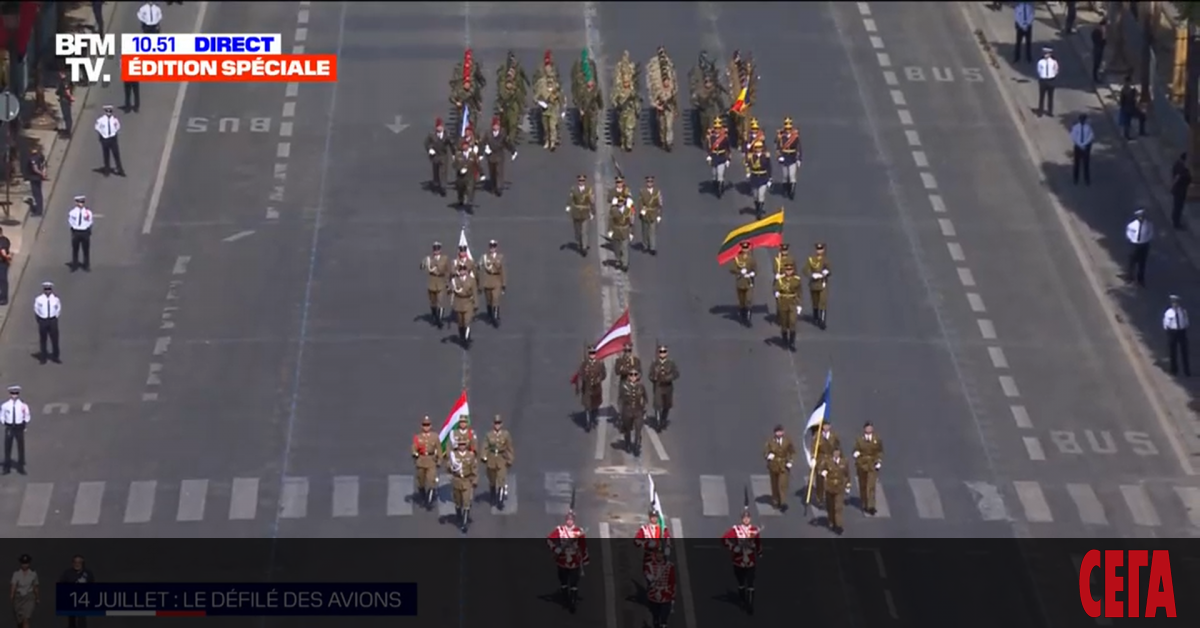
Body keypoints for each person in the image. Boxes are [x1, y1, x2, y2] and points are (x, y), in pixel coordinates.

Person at [722, 507, 762, 614]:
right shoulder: (736, 530)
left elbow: (758, 543)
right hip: (738, 560)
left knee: (750, 583)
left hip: (750, 560)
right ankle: (743, 601)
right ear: (741, 519)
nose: (746, 519)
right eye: (744, 518)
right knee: (741, 583)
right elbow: (724, 538)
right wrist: (732, 547)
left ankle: (750, 605)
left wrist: (758, 551)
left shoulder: (754, 530)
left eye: (748, 517)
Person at [547, 510, 589, 612]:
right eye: (568, 519)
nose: (569, 521)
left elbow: (583, 546)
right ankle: (565, 598)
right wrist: (555, 549)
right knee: (564, 581)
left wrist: (585, 558)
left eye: (571, 519)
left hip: (574, 560)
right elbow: (549, 539)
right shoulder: (560, 530)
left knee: (574, 583)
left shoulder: (579, 531)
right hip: (562, 559)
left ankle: (573, 602)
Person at [481, 415, 514, 508]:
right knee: (492, 479)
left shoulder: (506, 435)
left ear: (502, 424)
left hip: (501, 458)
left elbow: (509, 447)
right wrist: (483, 456)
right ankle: (492, 494)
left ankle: (500, 500)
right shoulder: (489, 435)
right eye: (496, 423)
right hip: (491, 458)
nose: (497, 425)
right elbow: (485, 446)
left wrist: (510, 459)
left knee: (501, 479)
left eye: (499, 423)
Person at [445, 439, 478, 532]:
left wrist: (475, 480)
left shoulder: (470, 456)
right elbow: (448, 467)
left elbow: (474, 468)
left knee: (466, 502)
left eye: (463, 444)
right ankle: (459, 516)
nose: (462, 446)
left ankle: (464, 523)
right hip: (457, 481)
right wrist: (451, 467)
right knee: (458, 502)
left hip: (467, 480)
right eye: (460, 444)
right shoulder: (453, 456)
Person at [817, 448, 851, 535]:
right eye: (834, 452)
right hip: (829, 487)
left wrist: (848, 485)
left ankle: (838, 525)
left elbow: (847, 474)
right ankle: (831, 521)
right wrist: (823, 472)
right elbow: (820, 469)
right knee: (830, 506)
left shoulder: (844, 462)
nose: (836, 454)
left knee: (838, 507)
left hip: (839, 487)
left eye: (837, 452)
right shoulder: (827, 461)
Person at [853, 422, 884, 515]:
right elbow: (855, 449)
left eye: (870, 428)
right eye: (867, 428)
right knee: (863, 485)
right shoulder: (859, 439)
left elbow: (880, 451)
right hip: (862, 465)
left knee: (871, 486)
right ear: (864, 429)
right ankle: (864, 503)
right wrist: (856, 453)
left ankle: (871, 506)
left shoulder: (877, 439)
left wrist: (879, 461)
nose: (869, 429)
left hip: (872, 465)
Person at [411, 416, 442, 509]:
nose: (426, 427)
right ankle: (423, 496)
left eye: (428, 425)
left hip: (431, 460)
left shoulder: (435, 436)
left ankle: (429, 500)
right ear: (422, 426)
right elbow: (414, 447)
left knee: (431, 480)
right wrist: (414, 453)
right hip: (421, 460)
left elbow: (439, 450)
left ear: (430, 426)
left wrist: (439, 460)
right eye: (424, 425)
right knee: (421, 482)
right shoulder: (418, 437)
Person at [763, 425, 795, 511]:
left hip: (784, 466)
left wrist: (790, 461)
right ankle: (775, 500)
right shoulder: (770, 441)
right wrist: (768, 455)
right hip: (773, 466)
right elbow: (765, 451)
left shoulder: (787, 440)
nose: (779, 433)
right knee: (774, 485)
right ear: (775, 433)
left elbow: (792, 452)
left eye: (780, 431)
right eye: (777, 432)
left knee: (782, 484)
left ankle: (783, 502)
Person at [575, 345, 606, 431]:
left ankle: (593, 419)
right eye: (590, 353)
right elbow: (580, 375)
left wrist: (599, 379)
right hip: (587, 387)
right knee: (587, 406)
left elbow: (604, 374)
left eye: (593, 353)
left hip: (596, 388)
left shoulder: (599, 363)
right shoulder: (584, 364)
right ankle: (588, 422)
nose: (592, 354)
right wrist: (579, 386)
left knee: (595, 406)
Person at [648, 345, 679, 430]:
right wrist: (654, 377)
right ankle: (658, 422)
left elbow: (676, 374)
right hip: (658, 386)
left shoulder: (671, 363)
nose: (662, 353)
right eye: (660, 352)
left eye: (664, 351)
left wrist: (668, 378)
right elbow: (650, 375)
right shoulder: (654, 363)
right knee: (658, 405)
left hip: (668, 387)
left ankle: (663, 419)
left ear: (667, 353)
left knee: (666, 405)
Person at [1, 386, 30, 475]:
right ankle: (7, 467)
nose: (14, 395)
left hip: (19, 427)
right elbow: (2, 415)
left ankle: (20, 467)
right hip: (10, 427)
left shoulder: (22, 405)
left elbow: (27, 415)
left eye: (16, 393)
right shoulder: (5, 405)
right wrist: (4, 422)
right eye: (13, 393)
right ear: (10, 394)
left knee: (20, 447)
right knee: (7, 447)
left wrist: (24, 423)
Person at [59, 555, 94, 628]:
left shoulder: (88, 573)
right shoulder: (67, 573)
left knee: (82, 619)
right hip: (71, 599)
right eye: (75, 562)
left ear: (83, 563)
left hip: (83, 599)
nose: (77, 564)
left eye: (79, 562)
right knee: (72, 619)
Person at [421, 242, 450, 328]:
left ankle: (439, 320)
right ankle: (434, 315)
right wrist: (423, 263)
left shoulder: (445, 259)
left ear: (440, 250)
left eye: (438, 249)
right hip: (432, 282)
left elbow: (448, 270)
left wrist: (448, 281)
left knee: (440, 302)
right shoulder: (429, 259)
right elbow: (422, 267)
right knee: (433, 302)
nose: (436, 251)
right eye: (435, 249)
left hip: (441, 282)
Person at [644, 551, 676, 628]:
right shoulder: (649, 565)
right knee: (655, 616)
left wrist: (673, 597)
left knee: (664, 617)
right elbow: (646, 572)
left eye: (661, 554)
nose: (659, 556)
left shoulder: (669, 566)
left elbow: (672, 582)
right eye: (658, 554)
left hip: (665, 594)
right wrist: (649, 577)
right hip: (653, 595)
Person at [803, 243, 831, 329]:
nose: (819, 251)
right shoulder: (811, 259)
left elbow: (829, 270)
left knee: (823, 302)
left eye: (821, 249)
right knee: (815, 301)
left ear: (823, 250)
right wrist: (811, 275)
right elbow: (805, 270)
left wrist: (826, 272)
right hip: (814, 284)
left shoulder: (825, 260)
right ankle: (815, 316)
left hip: (822, 283)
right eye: (818, 249)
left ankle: (822, 321)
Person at [774, 262, 802, 350]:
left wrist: (799, 305)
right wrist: (776, 292)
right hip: (783, 303)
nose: (788, 271)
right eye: (787, 270)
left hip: (793, 302)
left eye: (790, 270)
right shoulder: (780, 280)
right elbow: (775, 288)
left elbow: (799, 293)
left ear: (793, 270)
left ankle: (792, 342)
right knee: (784, 323)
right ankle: (785, 339)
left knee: (792, 322)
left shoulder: (797, 280)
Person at [620, 370, 648, 455]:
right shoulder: (624, 386)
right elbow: (620, 399)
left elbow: (645, 398)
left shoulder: (641, 386)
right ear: (628, 376)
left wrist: (644, 409)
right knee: (627, 429)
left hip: (638, 411)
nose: (633, 377)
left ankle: (636, 445)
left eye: (635, 375)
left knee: (638, 429)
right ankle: (627, 443)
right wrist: (621, 411)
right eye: (631, 374)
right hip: (627, 411)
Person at [730, 242, 757, 326]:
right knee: (742, 301)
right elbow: (732, 269)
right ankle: (743, 315)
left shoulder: (752, 259)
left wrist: (753, 273)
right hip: (740, 282)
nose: (745, 250)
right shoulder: (737, 258)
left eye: (746, 248)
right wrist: (739, 271)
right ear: (741, 248)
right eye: (744, 248)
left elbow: (756, 269)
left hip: (749, 282)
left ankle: (748, 319)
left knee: (748, 300)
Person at [567, 175, 595, 255]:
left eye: (583, 181)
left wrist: (593, 211)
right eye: (580, 180)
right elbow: (570, 198)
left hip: (585, 212)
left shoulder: (588, 190)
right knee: (578, 232)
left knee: (584, 231)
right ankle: (580, 242)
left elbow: (591, 201)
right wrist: (568, 206)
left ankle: (584, 247)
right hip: (576, 212)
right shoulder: (574, 189)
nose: (581, 182)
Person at [482, 117, 511, 196]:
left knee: (499, 171)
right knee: (492, 172)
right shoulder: (488, 133)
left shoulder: (503, 133)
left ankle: (499, 188)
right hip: (490, 155)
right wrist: (481, 153)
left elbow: (507, 143)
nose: (496, 127)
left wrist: (513, 151)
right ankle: (493, 185)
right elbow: (483, 143)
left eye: (497, 125)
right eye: (494, 125)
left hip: (499, 154)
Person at [34, 282, 62, 364]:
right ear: (43, 290)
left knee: (55, 339)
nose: (47, 291)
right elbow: (36, 309)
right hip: (43, 320)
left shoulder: (56, 299)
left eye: (49, 289)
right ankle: (43, 358)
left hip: (52, 320)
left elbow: (58, 308)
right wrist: (40, 318)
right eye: (46, 289)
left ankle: (56, 356)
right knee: (43, 339)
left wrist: (56, 316)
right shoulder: (39, 299)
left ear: (51, 289)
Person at [480, 240, 506, 325]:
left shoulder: (500, 257)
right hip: (487, 280)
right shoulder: (484, 257)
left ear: (496, 247)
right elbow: (478, 265)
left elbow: (503, 271)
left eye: (494, 246)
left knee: (495, 299)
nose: (492, 248)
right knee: (489, 300)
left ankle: (495, 318)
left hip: (496, 280)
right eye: (491, 246)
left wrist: (503, 284)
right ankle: (490, 315)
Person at [1125, 209, 1153, 286]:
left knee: (1142, 263)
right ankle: (1130, 278)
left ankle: (1140, 279)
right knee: (1132, 262)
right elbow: (1128, 233)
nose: (1141, 218)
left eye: (1142, 216)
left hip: (1144, 245)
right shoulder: (1132, 225)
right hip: (1134, 244)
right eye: (1140, 216)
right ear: (1137, 217)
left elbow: (1150, 233)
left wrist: (1146, 240)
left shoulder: (1148, 224)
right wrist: (1132, 239)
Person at [1164, 295, 1191, 377]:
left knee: (1184, 351)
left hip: (1182, 332)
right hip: (1173, 332)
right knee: (1173, 352)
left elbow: (1186, 321)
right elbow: (1165, 323)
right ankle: (1174, 370)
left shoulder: (1183, 311)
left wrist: (1185, 327)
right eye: (1173, 303)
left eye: (1176, 302)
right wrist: (1168, 331)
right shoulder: (1168, 312)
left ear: (1178, 303)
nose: (1175, 304)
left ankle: (1186, 370)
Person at [424, 118, 452, 196]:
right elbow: (426, 143)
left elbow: (451, 144)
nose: (439, 128)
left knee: (443, 172)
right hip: (435, 156)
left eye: (440, 126)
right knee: (436, 170)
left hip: (443, 155)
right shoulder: (432, 135)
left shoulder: (447, 134)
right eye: (438, 127)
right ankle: (436, 182)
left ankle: (443, 187)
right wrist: (430, 149)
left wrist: (454, 154)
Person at [775, 117, 801, 199]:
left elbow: (799, 148)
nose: (788, 130)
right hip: (785, 157)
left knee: (792, 175)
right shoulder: (781, 137)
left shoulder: (795, 137)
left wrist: (799, 159)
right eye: (787, 128)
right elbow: (778, 147)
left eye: (789, 128)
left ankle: (792, 192)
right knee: (785, 176)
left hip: (792, 158)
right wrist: (779, 156)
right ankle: (786, 190)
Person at [95, 105, 124, 176]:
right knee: (106, 155)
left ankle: (120, 170)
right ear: (105, 112)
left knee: (116, 154)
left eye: (110, 111)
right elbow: (97, 127)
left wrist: (114, 132)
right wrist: (102, 133)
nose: (109, 113)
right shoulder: (101, 120)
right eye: (107, 111)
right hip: (105, 139)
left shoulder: (114, 120)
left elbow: (118, 126)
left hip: (112, 138)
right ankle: (107, 170)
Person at [10, 555, 38, 628]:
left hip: (29, 597)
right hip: (19, 597)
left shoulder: (33, 574)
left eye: (26, 563)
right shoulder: (16, 574)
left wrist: (37, 597)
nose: (25, 565)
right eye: (23, 563)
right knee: (20, 620)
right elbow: (14, 585)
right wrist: (12, 595)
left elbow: (35, 586)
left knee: (26, 618)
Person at [745, 140, 771, 218]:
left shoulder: (765, 156)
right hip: (754, 178)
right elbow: (748, 165)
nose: (758, 149)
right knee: (755, 196)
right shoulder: (751, 156)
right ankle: (757, 207)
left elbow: (769, 167)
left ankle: (759, 211)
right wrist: (748, 172)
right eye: (757, 147)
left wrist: (770, 178)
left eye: (760, 147)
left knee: (761, 195)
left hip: (763, 177)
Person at [706, 117, 731, 197]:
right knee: (714, 174)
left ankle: (720, 188)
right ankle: (716, 184)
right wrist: (709, 155)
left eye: (719, 128)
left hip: (721, 157)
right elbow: (708, 147)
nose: (717, 129)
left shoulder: (724, 138)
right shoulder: (711, 137)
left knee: (720, 174)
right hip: (714, 157)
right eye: (716, 128)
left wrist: (728, 159)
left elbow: (728, 149)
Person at [638, 176, 663, 255]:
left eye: (651, 181)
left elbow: (660, 204)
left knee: (652, 231)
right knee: (645, 231)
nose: (649, 183)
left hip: (653, 213)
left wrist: (659, 215)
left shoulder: (657, 192)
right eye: (648, 182)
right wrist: (642, 210)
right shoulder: (642, 191)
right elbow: (640, 202)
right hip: (645, 213)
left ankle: (652, 247)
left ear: (653, 183)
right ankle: (645, 246)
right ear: (646, 183)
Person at [68, 195, 94, 271]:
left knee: (86, 249)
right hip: (76, 231)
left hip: (84, 231)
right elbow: (70, 221)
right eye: (79, 202)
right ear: (76, 202)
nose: (81, 204)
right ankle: (74, 265)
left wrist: (87, 228)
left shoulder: (88, 212)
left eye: (82, 202)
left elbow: (90, 221)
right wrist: (73, 227)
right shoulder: (72, 212)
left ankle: (86, 265)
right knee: (75, 249)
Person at [452, 140, 479, 209]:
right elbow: (454, 165)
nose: (465, 147)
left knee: (470, 188)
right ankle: (461, 200)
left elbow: (477, 164)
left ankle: (470, 201)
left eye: (466, 145)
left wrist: (482, 173)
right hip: (461, 177)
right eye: (464, 145)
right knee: (461, 189)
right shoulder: (458, 155)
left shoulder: (472, 155)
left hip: (470, 176)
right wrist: (460, 169)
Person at [1118, 75, 1146, 140]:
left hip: (1126, 108)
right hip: (1131, 108)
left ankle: (1127, 135)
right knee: (1141, 117)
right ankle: (1141, 132)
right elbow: (1134, 97)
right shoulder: (1130, 90)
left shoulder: (1124, 90)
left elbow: (1122, 100)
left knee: (1127, 122)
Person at [1070, 114, 1094, 185]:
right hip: (1078, 147)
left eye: (1084, 119)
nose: (1082, 121)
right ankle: (1075, 179)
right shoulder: (1076, 127)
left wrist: (1084, 144)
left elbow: (1091, 136)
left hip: (1086, 148)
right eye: (1081, 119)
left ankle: (1087, 179)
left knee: (1086, 164)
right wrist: (1080, 144)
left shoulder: (1088, 128)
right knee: (1076, 164)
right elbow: (1073, 136)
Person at [1036, 48, 1059, 117]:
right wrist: (1042, 76)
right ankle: (1040, 111)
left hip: (1051, 80)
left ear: (1050, 54)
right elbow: (1039, 70)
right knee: (1042, 97)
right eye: (1044, 53)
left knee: (1050, 97)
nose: (1045, 55)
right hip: (1043, 80)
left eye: (1047, 53)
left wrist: (1052, 75)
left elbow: (1056, 69)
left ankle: (1050, 111)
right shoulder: (1040, 62)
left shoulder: (1053, 62)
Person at [1172, 153, 1192, 230]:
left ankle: (1175, 221)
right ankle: (1176, 223)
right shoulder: (1182, 169)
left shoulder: (1177, 165)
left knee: (1176, 207)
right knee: (1178, 207)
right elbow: (1181, 178)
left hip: (1177, 190)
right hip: (1180, 191)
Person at [26, 147, 47, 216]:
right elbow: (44, 165)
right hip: (39, 178)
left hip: (34, 178)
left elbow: (35, 169)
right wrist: (43, 173)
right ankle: (40, 209)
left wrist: (41, 173)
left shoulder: (32, 158)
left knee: (36, 194)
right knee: (39, 195)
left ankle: (38, 211)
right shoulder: (40, 156)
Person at [56, 69, 74, 137]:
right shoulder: (66, 80)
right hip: (65, 99)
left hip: (65, 100)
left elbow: (67, 90)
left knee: (66, 115)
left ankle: (68, 131)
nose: (59, 74)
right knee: (67, 115)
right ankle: (68, 129)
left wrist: (70, 97)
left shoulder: (64, 81)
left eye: (61, 73)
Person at [0, 227, 10, 305]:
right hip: (3, 262)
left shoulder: (2, 241)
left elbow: (3, 252)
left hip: (2, 263)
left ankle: (3, 298)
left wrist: (6, 257)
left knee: (2, 280)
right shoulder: (5, 240)